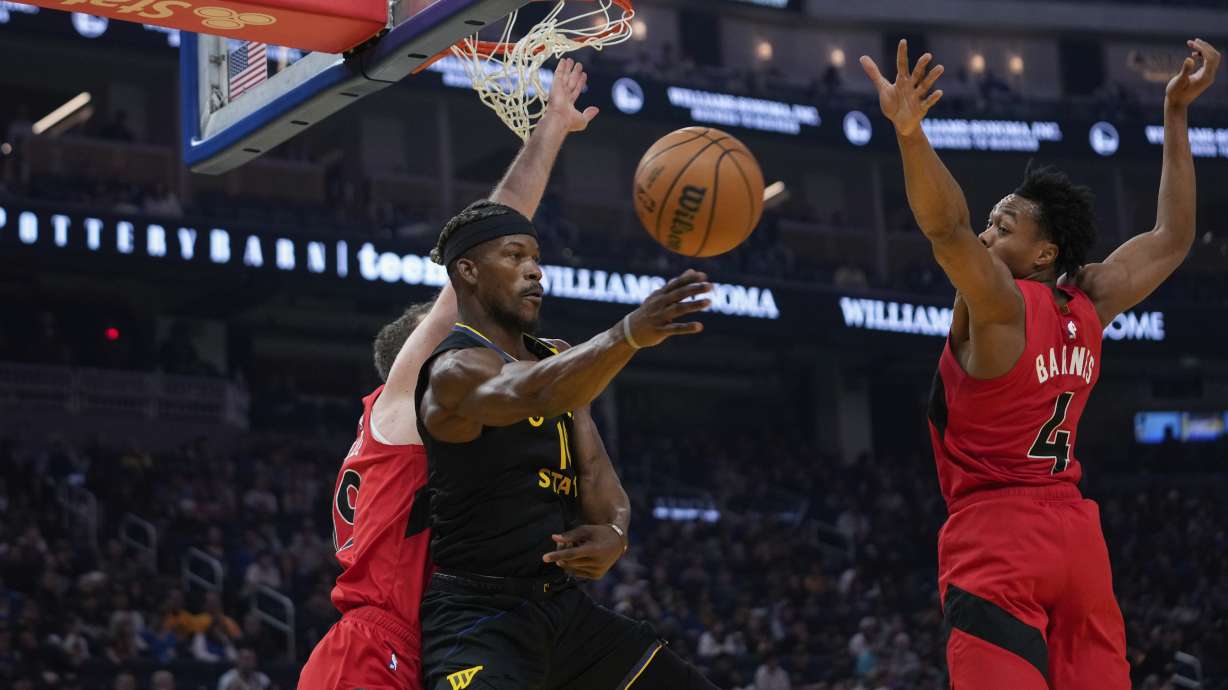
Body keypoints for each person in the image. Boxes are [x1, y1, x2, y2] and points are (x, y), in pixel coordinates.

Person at [859, 38, 1219, 690]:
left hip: (997, 539)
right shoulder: (1092, 299)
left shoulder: (996, 302)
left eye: (1005, 225)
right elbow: (1174, 237)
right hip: (1077, 541)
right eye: (992, 224)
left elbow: (947, 231)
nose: (989, 235)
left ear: (1045, 249)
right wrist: (1174, 115)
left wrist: (911, 136)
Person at [297, 58, 602, 690]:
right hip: (372, 647)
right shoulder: (406, 396)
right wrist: (548, 131)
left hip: (430, 641)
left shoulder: (441, 440)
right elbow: (494, 225)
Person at [414, 62, 720, 690]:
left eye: (537, 258)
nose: (535, 272)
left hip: (563, 611)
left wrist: (614, 532)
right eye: (514, 256)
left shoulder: (553, 350)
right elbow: (533, 389)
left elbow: (598, 478)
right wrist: (628, 333)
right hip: (477, 616)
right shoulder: (452, 369)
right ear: (468, 273)